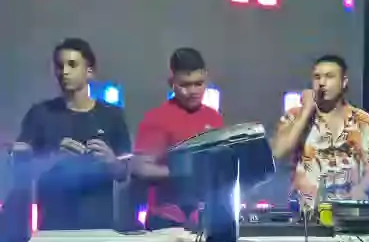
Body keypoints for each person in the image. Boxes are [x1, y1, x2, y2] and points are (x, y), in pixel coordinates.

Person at [14, 37, 131, 230]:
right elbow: (20, 168)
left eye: (72, 65)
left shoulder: (111, 116)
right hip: (54, 225)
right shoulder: (41, 114)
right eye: (59, 66)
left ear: (89, 71)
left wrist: (111, 161)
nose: (64, 72)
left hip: (101, 225)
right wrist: (53, 158)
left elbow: (124, 173)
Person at [271, 55, 369, 208]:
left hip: (348, 209)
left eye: (329, 76)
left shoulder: (363, 121)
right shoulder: (295, 116)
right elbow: (278, 151)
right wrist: (306, 111)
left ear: (344, 82)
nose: (322, 82)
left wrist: (361, 189)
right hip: (306, 212)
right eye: (317, 77)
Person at [133, 47, 223, 229]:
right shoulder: (157, 118)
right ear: (172, 83)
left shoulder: (214, 117)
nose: (193, 91)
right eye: (185, 85)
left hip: (206, 217)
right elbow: (139, 168)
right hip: (166, 220)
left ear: (206, 79)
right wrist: (181, 173)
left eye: (198, 83)